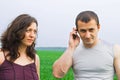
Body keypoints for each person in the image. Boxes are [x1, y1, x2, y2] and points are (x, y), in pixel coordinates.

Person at [52, 11, 120, 80]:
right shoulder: (73, 51)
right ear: (77, 31)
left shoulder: (114, 49)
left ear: (98, 27)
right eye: (83, 31)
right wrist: (71, 47)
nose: (87, 36)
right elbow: (57, 74)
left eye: (91, 30)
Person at [0, 14, 40, 80]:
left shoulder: (35, 59)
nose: (32, 35)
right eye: (28, 30)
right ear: (17, 31)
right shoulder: (1, 56)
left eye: (35, 31)